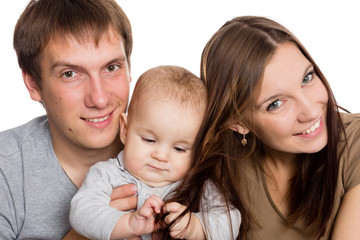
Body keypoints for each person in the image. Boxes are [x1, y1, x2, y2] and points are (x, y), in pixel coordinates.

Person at [164, 16, 360, 240]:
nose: (311, 111)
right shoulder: (222, 168)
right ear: (238, 122)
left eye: (307, 78)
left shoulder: (355, 141)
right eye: (275, 104)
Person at [0, 0, 138, 239]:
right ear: (34, 83)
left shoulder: (182, 146)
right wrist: (86, 233)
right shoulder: (6, 171)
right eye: (70, 74)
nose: (100, 99)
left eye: (112, 67)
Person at [69, 65, 241, 240]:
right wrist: (128, 223)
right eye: (149, 140)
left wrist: (195, 227)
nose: (161, 156)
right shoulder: (106, 174)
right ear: (125, 130)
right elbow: (81, 211)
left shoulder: (199, 183)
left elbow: (231, 220)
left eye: (179, 149)